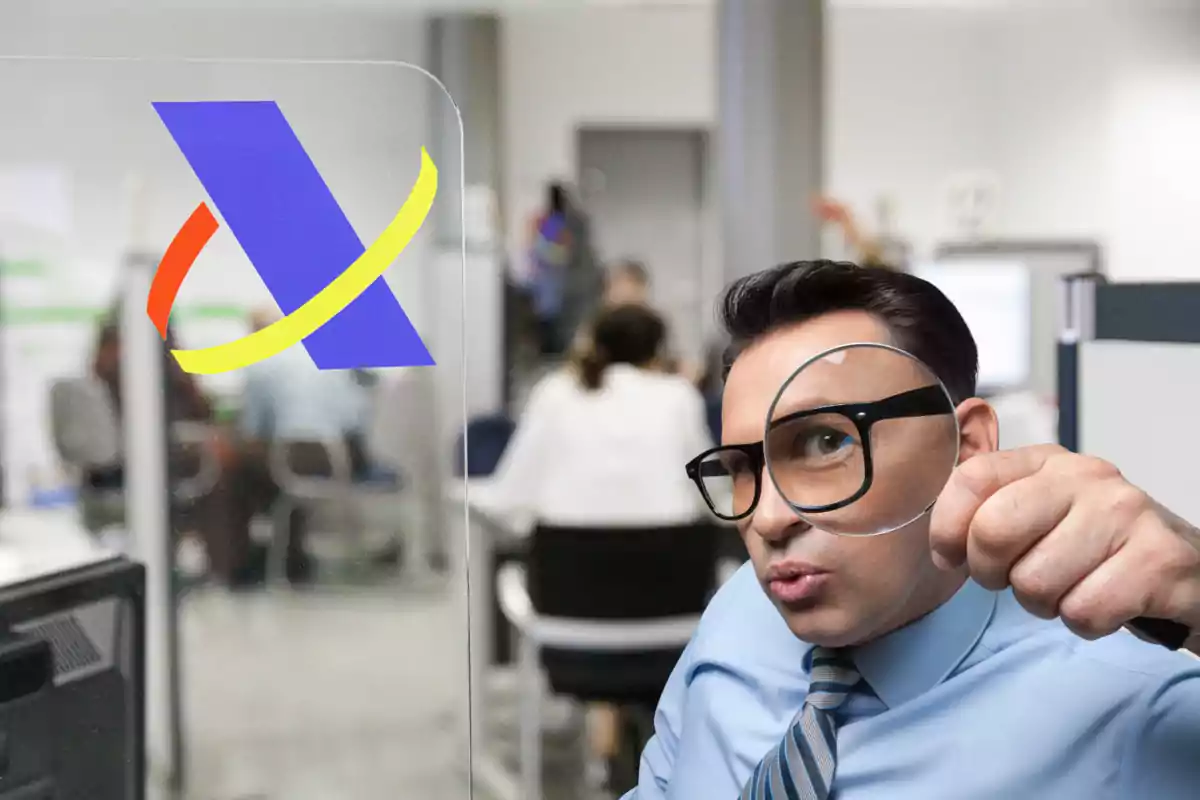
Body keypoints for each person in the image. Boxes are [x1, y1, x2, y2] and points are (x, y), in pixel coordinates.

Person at [624, 260, 1200, 799]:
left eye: (826, 442)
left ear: (966, 445)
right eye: (744, 468)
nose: (769, 519)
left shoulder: (1134, 710)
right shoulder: (738, 615)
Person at [477, 304, 714, 790]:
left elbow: (509, 502)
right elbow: (704, 495)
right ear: (658, 353)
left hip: (568, 637)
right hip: (672, 633)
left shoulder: (556, 393)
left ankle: (604, 747)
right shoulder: (678, 397)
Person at [205, 309, 372, 587]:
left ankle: (233, 566)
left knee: (231, 465)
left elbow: (253, 429)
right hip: (341, 456)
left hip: (293, 457)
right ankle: (291, 557)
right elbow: (356, 417)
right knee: (277, 477)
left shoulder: (260, 364)